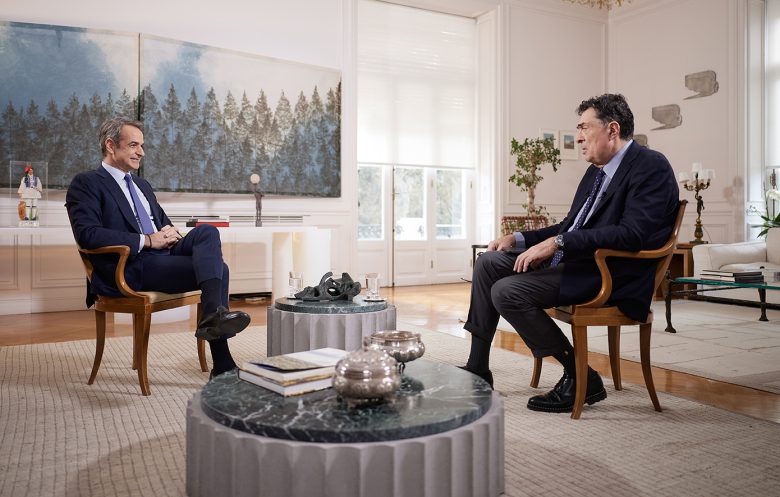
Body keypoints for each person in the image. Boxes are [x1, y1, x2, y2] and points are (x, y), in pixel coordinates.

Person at [462, 94, 679, 413]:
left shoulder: (651, 166)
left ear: (612, 129)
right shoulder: (596, 171)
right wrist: (518, 238)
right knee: (489, 262)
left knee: (506, 292)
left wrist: (560, 242)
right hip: (578, 265)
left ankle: (580, 375)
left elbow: (633, 234)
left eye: (584, 127)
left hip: (610, 275)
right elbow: (569, 225)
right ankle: (478, 368)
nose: (578, 137)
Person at [66, 117, 250, 378]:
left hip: (163, 254)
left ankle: (214, 317)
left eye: (142, 145)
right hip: (130, 266)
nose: (141, 152)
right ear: (110, 145)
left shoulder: (141, 185)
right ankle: (222, 362)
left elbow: (162, 223)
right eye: (133, 145)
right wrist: (147, 240)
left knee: (207, 231)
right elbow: (88, 234)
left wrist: (171, 233)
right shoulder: (87, 182)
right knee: (220, 269)